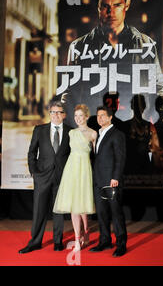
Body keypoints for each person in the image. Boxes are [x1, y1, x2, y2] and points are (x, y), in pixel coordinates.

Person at [63, 0, 163, 130]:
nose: (111, 12)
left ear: (126, 5)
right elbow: (70, 95)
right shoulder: (79, 47)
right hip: (96, 134)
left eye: (117, 5)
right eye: (105, 6)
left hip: (135, 133)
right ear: (98, 7)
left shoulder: (145, 45)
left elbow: (158, 91)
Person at [19, 101, 73, 254]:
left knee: (59, 211)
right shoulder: (39, 130)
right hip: (42, 176)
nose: (56, 115)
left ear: (64, 114)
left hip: (62, 177)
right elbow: (31, 152)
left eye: (59, 112)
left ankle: (57, 241)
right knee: (38, 210)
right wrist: (34, 172)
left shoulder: (71, 131)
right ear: (49, 114)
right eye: (53, 112)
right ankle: (35, 242)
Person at [53, 104, 97, 252]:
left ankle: (86, 230)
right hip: (71, 170)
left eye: (80, 115)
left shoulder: (93, 134)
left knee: (83, 204)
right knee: (73, 206)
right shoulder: (71, 133)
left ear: (86, 116)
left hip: (85, 169)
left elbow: (96, 156)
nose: (78, 118)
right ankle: (77, 239)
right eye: (75, 116)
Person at [89, 106, 127, 257]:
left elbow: (120, 158)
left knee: (116, 213)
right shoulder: (98, 134)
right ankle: (104, 241)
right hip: (98, 180)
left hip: (111, 181)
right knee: (102, 213)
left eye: (103, 115)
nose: (100, 118)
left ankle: (121, 244)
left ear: (110, 117)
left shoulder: (117, 134)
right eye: (98, 116)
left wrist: (115, 177)